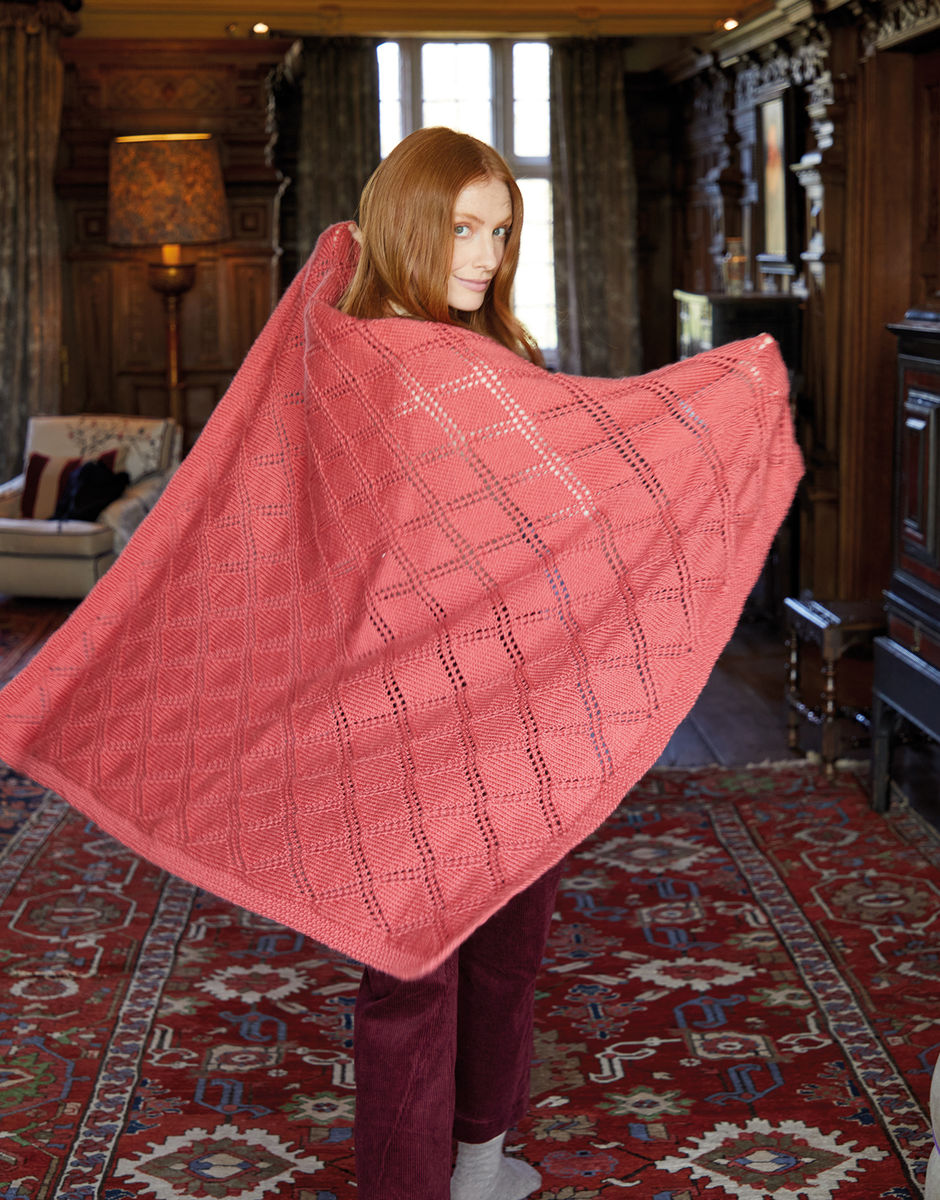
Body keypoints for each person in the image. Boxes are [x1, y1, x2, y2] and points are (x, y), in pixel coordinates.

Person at [339, 126, 555, 1200]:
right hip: (407, 712)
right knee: (414, 969)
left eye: (500, 231)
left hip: (517, 697)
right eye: (462, 229)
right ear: (407, 222)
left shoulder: (488, 349)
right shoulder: (359, 363)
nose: (486, 255)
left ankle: (476, 1164)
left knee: (507, 943)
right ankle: (414, 1185)